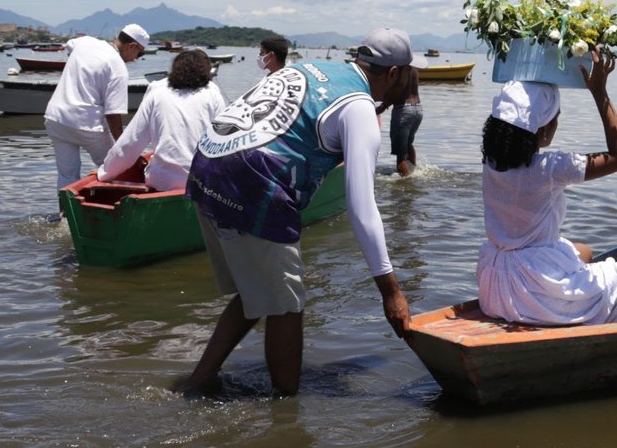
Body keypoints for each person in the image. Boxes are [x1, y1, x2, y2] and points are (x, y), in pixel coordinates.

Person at [177, 27, 426, 396]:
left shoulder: (315, 67)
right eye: (409, 76)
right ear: (394, 74)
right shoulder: (358, 108)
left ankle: (198, 381)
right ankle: (285, 414)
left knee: (255, 292)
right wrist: (390, 290)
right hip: (253, 180)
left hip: (207, 164)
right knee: (287, 306)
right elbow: (362, 206)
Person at [476, 51, 617, 328]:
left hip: (497, 284)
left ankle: (586, 309)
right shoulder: (549, 167)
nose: (556, 125)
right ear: (542, 129)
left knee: (583, 252)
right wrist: (600, 92)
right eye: (555, 118)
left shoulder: (491, 163)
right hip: (532, 290)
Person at [94, 49, 226, 192]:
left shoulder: (157, 92)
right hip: (201, 183)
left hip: (163, 182)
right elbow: (224, 142)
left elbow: (130, 142)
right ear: (207, 72)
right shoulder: (213, 93)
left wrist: (104, 173)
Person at [43, 22, 149, 189]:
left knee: (66, 175)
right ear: (131, 46)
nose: (136, 59)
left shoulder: (86, 42)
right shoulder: (118, 67)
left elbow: (70, 44)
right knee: (116, 170)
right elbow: (113, 115)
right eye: (139, 53)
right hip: (86, 125)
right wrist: (125, 152)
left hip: (56, 119)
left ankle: (65, 213)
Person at [377, 64, 421, 176]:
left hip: (403, 110)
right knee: (408, 144)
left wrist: (382, 107)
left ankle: (405, 183)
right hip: (418, 109)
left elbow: (398, 90)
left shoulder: (401, 69)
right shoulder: (414, 69)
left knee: (400, 153)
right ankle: (414, 173)